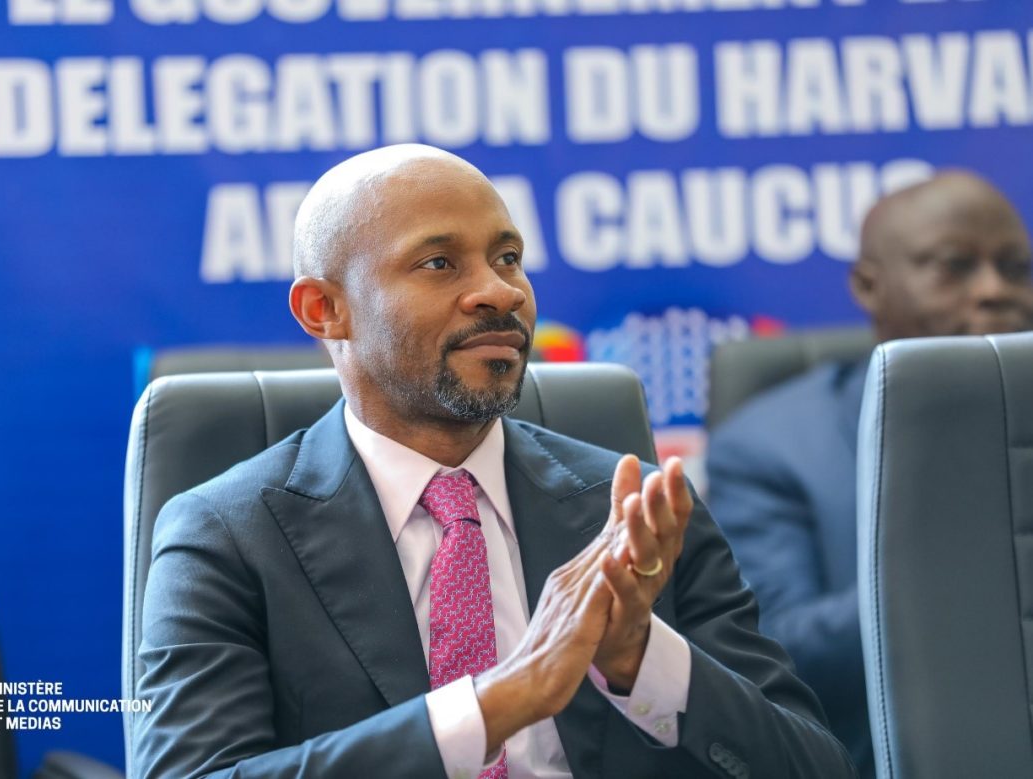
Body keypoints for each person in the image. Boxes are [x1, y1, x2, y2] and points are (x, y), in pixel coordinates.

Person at [134, 144, 855, 778]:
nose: (501, 292)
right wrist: (502, 699)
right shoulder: (228, 535)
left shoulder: (636, 512)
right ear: (325, 309)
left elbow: (816, 766)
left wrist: (642, 658)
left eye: (507, 258)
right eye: (440, 263)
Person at [707, 171, 1033, 776]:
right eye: (955, 266)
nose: (995, 290)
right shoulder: (770, 447)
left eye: (1016, 269)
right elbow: (773, 654)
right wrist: (974, 566)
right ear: (868, 286)